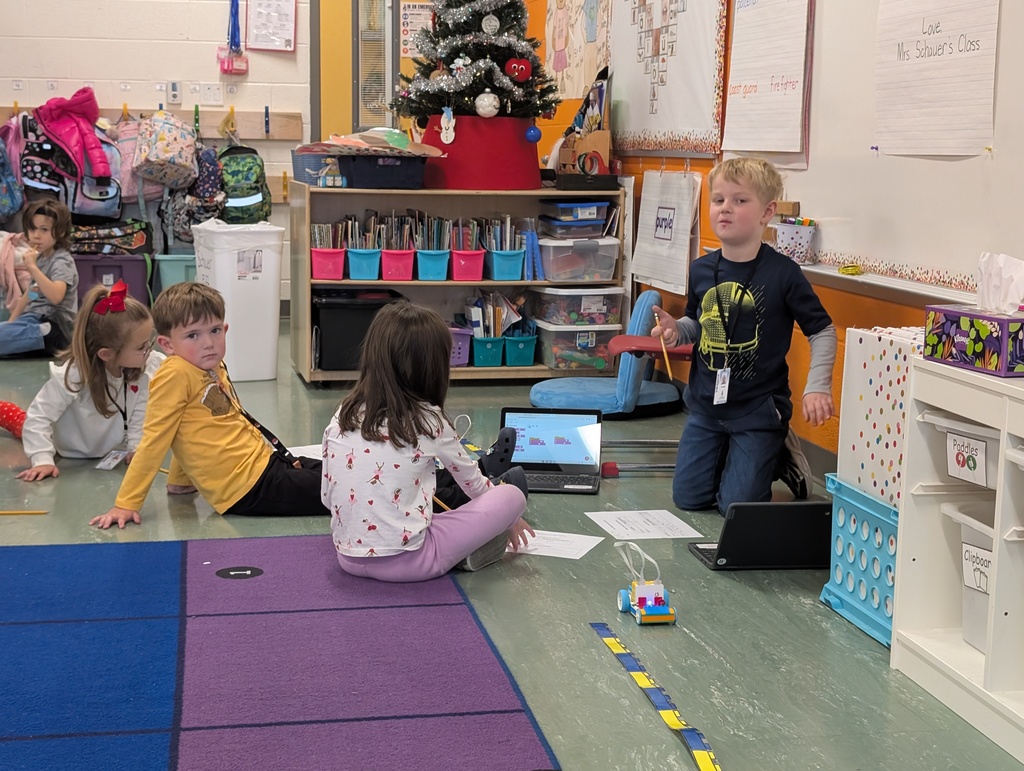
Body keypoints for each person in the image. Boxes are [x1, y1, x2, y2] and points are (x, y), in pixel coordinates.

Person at [651, 157, 836, 514]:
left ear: (767, 212)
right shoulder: (701, 269)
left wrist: (817, 385)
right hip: (706, 404)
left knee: (736, 508)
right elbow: (697, 323)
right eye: (718, 199)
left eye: (740, 200)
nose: (725, 208)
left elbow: (823, 331)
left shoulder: (784, 273)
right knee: (689, 499)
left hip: (757, 408)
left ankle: (777, 452)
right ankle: (734, 455)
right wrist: (676, 331)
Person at [322, 301, 534, 583]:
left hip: (347, 558)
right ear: (434, 366)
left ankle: (463, 549)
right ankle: (465, 552)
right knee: (511, 496)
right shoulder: (429, 420)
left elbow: (327, 496)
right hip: (412, 562)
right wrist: (509, 518)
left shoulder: (343, 412)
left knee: (434, 516)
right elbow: (475, 487)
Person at [89, 282, 326, 529]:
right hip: (246, 488)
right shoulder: (176, 374)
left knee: (339, 471)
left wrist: (179, 482)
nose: (208, 343)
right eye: (193, 335)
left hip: (263, 464)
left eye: (214, 330)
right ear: (167, 345)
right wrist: (126, 503)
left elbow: (188, 427)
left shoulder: (209, 364)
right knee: (344, 490)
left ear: (225, 329)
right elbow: (154, 440)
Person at [0, 280, 163, 481]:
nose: (149, 350)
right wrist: (42, 459)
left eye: (149, 343)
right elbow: (39, 418)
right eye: (141, 347)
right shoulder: (72, 377)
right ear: (106, 354)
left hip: (103, 446)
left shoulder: (140, 367)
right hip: (61, 445)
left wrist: (136, 448)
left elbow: (140, 412)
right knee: (23, 422)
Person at [0, 198, 78, 356]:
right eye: (32, 229)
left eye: (44, 230)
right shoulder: (42, 257)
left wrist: (33, 268)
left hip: (53, 327)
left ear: (60, 232)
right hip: (32, 319)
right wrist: (11, 324)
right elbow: (31, 294)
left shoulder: (61, 261)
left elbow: (56, 296)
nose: (36, 236)